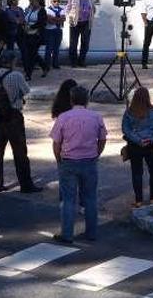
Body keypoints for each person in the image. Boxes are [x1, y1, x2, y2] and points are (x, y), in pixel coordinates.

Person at [50, 86, 106, 243]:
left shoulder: (64, 117)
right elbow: (102, 139)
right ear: (87, 100)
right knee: (90, 198)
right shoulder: (96, 117)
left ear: (71, 100)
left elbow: (56, 143)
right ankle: (91, 232)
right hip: (89, 160)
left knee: (68, 199)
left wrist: (58, 159)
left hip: (68, 160)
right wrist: (97, 153)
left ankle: (67, 234)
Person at [0, 50, 42, 193]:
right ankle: (26, 184)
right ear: (12, 61)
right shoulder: (16, 75)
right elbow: (26, 90)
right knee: (20, 152)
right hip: (13, 116)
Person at [122, 87, 153, 206]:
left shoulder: (129, 112)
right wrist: (152, 138)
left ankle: (139, 200)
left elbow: (126, 129)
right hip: (151, 145)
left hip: (135, 145)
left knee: (137, 172)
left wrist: (137, 140)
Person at [65, 0, 96, 67]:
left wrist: (92, 13)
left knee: (85, 43)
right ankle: (73, 62)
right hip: (75, 23)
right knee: (73, 43)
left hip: (86, 23)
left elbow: (93, 9)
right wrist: (70, 17)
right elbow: (67, 8)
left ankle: (81, 61)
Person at [22, 0, 49, 81]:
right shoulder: (30, 10)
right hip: (27, 35)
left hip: (36, 36)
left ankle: (28, 74)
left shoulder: (42, 11)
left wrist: (31, 27)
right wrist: (24, 25)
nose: (31, 2)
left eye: (32, 1)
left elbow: (42, 23)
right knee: (30, 54)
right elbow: (25, 19)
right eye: (30, 1)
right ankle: (45, 66)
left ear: (38, 1)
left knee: (31, 55)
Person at [44, 0, 65, 70]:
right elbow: (49, 20)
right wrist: (58, 19)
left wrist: (54, 18)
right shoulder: (47, 10)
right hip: (50, 31)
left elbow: (63, 19)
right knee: (49, 48)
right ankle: (46, 65)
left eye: (58, 1)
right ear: (51, 2)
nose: (57, 2)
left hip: (58, 30)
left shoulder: (62, 9)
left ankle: (55, 64)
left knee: (56, 48)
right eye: (54, 1)